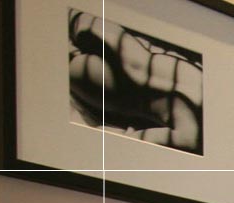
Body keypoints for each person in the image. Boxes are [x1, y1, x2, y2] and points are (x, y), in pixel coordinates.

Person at [68, 9, 203, 155]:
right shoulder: (194, 133)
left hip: (128, 61)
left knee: (72, 20)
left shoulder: (208, 84)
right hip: (123, 86)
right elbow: (136, 142)